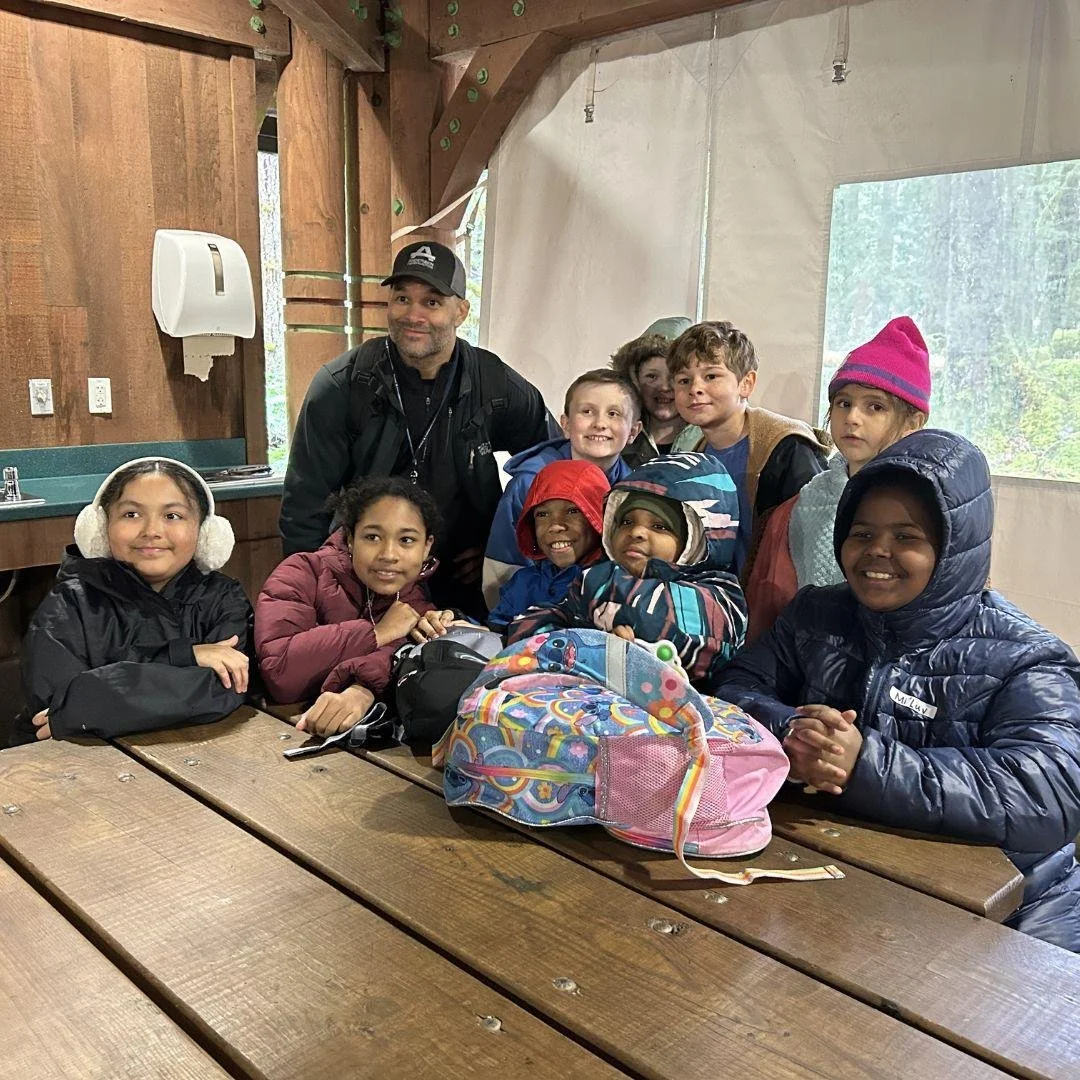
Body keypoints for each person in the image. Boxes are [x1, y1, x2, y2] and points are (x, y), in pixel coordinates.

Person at [710, 429, 1080, 951]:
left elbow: (1048, 793)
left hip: (1020, 907)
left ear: (955, 548)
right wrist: (792, 730)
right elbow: (737, 685)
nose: (878, 552)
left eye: (907, 537)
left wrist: (867, 765)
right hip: (855, 876)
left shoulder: (1024, 657)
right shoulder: (818, 614)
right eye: (861, 533)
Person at [279, 240, 557, 620]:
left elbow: (554, 465)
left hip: (461, 579)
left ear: (460, 310)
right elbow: (304, 506)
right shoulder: (342, 385)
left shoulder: (493, 382)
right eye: (402, 298)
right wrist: (312, 598)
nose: (413, 314)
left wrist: (501, 546)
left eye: (431, 302)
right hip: (366, 577)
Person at [9, 458, 251, 746]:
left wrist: (95, 697)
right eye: (131, 514)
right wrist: (185, 658)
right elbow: (57, 706)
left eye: (172, 516)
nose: (151, 530)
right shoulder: (69, 604)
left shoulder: (224, 599)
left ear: (205, 532)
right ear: (101, 526)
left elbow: (224, 689)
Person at [745, 316, 930, 640]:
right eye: (843, 403)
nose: (852, 419)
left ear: (913, 421)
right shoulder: (805, 504)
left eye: (875, 407)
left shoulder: (930, 506)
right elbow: (772, 601)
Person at [508, 453, 747, 684]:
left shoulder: (723, 594)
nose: (636, 532)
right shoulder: (602, 577)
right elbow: (528, 627)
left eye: (660, 526)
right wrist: (590, 648)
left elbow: (657, 620)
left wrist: (592, 614)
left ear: (696, 539)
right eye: (626, 521)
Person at [257, 476, 465, 737]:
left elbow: (405, 664)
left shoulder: (416, 605)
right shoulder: (302, 572)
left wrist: (362, 690)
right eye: (373, 537)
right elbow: (281, 673)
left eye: (407, 540)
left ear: (427, 547)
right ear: (351, 538)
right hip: (271, 732)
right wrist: (376, 632)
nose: (388, 554)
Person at [668, 321, 831, 579]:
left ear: (746, 383)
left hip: (778, 603)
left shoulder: (787, 448)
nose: (695, 389)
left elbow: (816, 541)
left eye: (711, 376)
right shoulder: (692, 455)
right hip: (722, 600)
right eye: (683, 380)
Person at [482, 369, 640, 608]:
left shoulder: (634, 490)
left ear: (633, 431)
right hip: (533, 616)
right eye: (587, 412)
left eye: (613, 414)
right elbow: (502, 567)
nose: (600, 424)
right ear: (565, 424)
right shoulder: (529, 483)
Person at [487, 458, 609, 634]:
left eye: (572, 511)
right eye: (542, 514)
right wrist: (457, 622)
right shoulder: (523, 583)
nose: (555, 525)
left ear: (599, 516)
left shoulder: (613, 585)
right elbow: (495, 634)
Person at [610, 329, 687, 468]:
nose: (664, 387)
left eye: (673, 377)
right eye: (652, 377)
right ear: (634, 382)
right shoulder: (618, 439)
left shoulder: (706, 440)